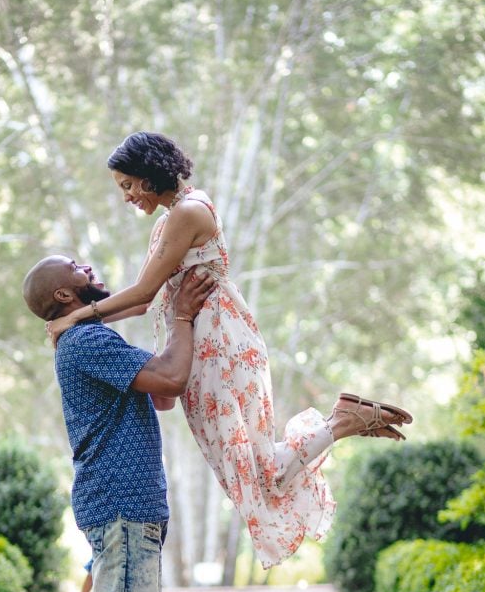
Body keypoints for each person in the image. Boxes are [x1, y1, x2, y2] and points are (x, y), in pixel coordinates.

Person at [47, 131, 413, 568]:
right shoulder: (171, 219)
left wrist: (76, 317)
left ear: (148, 173)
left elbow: (144, 288)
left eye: (128, 184)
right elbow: (145, 301)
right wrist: (87, 324)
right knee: (249, 473)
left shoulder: (188, 211)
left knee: (257, 474)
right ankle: (343, 421)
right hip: (205, 348)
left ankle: (341, 422)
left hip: (221, 348)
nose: (127, 196)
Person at [22, 254, 213, 592]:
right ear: (63, 295)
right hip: (121, 502)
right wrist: (180, 316)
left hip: (129, 502)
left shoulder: (90, 339)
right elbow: (172, 377)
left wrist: (177, 320)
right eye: (76, 266)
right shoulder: (86, 344)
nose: (89, 267)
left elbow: (161, 393)